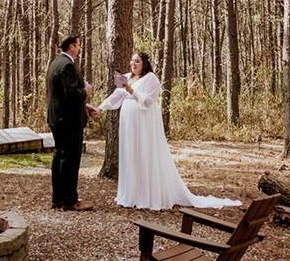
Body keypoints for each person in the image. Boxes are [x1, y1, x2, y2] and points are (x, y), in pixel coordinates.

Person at [97, 51, 241, 210]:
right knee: (130, 155)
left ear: (144, 63)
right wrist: (100, 108)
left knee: (143, 154)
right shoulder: (127, 77)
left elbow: (148, 101)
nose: (133, 64)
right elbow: (116, 96)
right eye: (132, 61)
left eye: (137, 61)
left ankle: (146, 195)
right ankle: (131, 194)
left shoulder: (151, 78)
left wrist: (132, 91)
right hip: (127, 122)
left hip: (143, 123)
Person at [46, 35, 99, 211]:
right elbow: (71, 94)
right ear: (70, 46)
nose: (79, 49)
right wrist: (86, 91)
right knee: (71, 160)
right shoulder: (67, 65)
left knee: (60, 157)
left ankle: (57, 198)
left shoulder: (55, 63)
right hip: (68, 121)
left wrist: (85, 106)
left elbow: (63, 94)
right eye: (77, 46)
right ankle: (70, 201)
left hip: (57, 118)